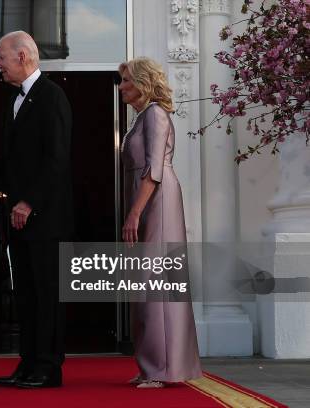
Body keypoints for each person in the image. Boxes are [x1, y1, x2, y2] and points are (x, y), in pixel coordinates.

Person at [0, 31, 73, 389]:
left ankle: (48, 367)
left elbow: (57, 159)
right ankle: (27, 363)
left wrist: (29, 202)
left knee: (47, 293)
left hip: (46, 219)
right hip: (20, 219)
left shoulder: (52, 96)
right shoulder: (15, 100)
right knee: (24, 294)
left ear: (22, 56)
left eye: (2, 57)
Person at [118, 57, 202, 388]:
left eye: (126, 80)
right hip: (146, 198)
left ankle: (161, 368)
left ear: (142, 82)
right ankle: (152, 364)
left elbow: (153, 169)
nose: (121, 86)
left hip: (157, 200)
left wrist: (135, 212)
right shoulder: (142, 117)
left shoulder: (154, 114)